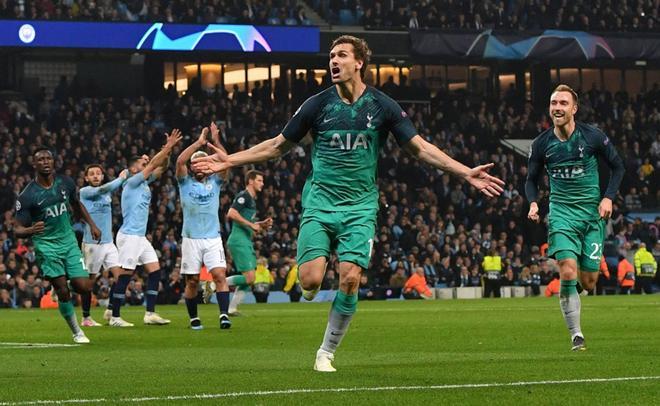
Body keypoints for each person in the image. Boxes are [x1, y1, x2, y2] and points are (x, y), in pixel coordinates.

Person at [193, 35, 503, 372]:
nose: (333, 61)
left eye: (341, 55)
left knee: (350, 278)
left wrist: (464, 172)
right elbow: (276, 145)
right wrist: (231, 161)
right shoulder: (317, 105)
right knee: (310, 282)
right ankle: (311, 281)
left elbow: (421, 148)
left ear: (359, 63)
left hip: (360, 207)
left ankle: (325, 351)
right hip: (320, 204)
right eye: (331, 56)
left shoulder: (382, 106)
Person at [526, 84, 625, 351]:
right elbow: (531, 180)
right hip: (561, 215)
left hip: (592, 217)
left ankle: (573, 294)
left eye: (563, 103)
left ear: (574, 108)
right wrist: (534, 203)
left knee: (589, 282)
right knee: (567, 270)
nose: (557, 108)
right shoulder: (542, 144)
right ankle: (576, 335)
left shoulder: (592, 137)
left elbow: (618, 166)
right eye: (553, 103)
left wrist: (608, 197)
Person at [14, 147, 102, 343]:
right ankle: (77, 331)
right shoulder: (27, 195)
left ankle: (66, 278)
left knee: (84, 286)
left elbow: (76, 204)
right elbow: (17, 229)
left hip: (68, 241)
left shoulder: (65, 182)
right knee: (63, 291)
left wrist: (92, 225)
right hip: (46, 246)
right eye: (40, 159)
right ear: (34, 164)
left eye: (48, 158)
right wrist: (30, 230)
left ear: (54, 162)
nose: (45, 162)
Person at [110, 129, 182, 327]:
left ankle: (149, 313)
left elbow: (161, 167)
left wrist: (166, 152)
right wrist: (168, 146)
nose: (146, 164)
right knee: (125, 274)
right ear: (134, 169)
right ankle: (115, 316)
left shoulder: (144, 182)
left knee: (155, 270)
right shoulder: (131, 182)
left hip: (140, 237)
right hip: (129, 235)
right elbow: (152, 166)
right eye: (141, 164)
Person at [176, 125, 231, 330]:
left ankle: (224, 315)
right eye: (196, 163)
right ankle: (194, 318)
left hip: (212, 238)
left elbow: (226, 161)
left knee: (219, 276)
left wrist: (216, 142)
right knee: (192, 281)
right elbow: (179, 161)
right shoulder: (184, 182)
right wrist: (198, 144)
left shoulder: (216, 181)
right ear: (192, 167)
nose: (199, 166)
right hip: (191, 238)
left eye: (203, 162)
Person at [79, 164, 128, 327]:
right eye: (91, 174)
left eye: (98, 174)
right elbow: (103, 190)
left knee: (120, 277)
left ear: (102, 177)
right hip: (92, 245)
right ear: (86, 178)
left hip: (108, 243)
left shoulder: (107, 194)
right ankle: (86, 317)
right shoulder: (85, 192)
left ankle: (113, 314)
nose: (95, 176)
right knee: (90, 282)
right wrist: (121, 178)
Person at [224, 170, 272, 315]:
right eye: (259, 180)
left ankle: (232, 308)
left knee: (249, 278)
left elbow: (246, 222)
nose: (262, 184)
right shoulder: (243, 196)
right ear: (250, 181)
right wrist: (251, 225)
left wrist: (260, 224)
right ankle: (215, 284)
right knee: (250, 277)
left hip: (245, 240)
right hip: (239, 240)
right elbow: (231, 213)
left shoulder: (251, 199)